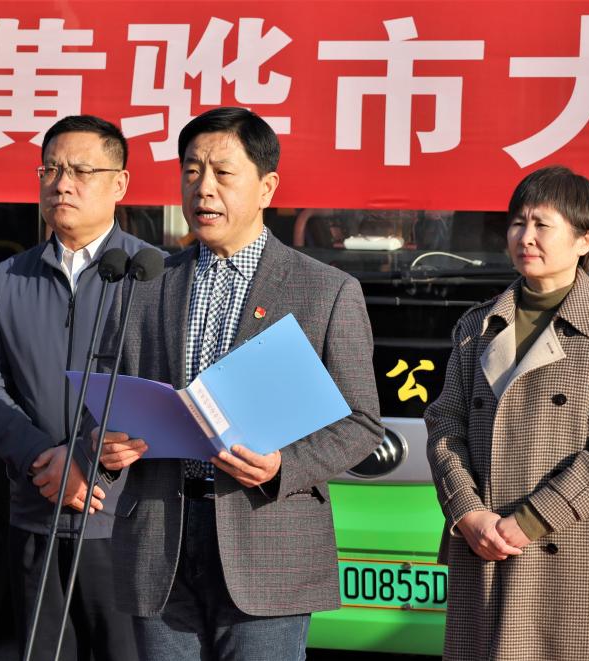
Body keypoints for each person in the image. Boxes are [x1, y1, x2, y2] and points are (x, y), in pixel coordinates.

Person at [94, 107, 383, 661]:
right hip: (161, 535)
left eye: (223, 173)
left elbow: (361, 421)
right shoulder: (148, 282)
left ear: (267, 187)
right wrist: (103, 444)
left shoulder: (325, 290)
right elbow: (111, 396)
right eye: (191, 171)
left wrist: (283, 466)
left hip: (266, 534)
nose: (203, 188)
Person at [425, 165, 589, 661]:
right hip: (485, 546)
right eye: (517, 223)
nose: (525, 237)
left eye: (542, 224)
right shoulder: (477, 324)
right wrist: (467, 513)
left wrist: (531, 519)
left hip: (570, 548)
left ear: (584, 240)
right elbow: (445, 426)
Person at [0, 115, 148, 661]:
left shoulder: (153, 274)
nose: (62, 184)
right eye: (50, 169)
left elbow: (161, 382)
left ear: (119, 184)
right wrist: (40, 457)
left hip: (123, 520)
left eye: (81, 171)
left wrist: (84, 460)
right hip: (36, 509)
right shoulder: (10, 277)